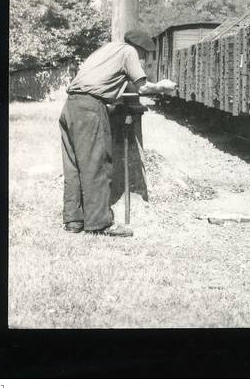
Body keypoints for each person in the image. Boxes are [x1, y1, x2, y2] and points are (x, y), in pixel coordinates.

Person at [60, 29, 171, 237]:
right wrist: (162, 87)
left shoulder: (107, 49)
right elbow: (143, 87)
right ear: (141, 50)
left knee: (74, 165)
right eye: (144, 56)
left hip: (70, 105)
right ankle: (100, 223)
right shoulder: (129, 53)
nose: (142, 61)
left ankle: (74, 220)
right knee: (97, 164)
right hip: (90, 108)